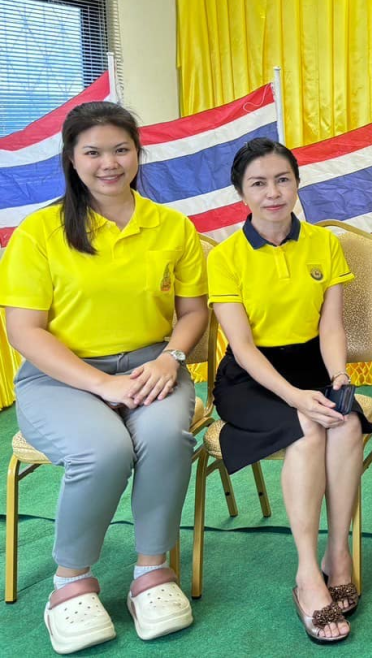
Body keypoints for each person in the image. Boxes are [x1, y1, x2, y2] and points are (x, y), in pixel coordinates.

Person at [0, 102, 205, 654]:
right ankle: (70, 583)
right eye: (92, 151)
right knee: (103, 449)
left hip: (152, 365)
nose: (108, 163)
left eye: (121, 149)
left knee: (165, 436)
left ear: (138, 154)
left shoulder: (172, 226)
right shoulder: (39, 232)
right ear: (71, 158)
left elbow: (192, 313)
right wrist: (102, 384)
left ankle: (151, 572)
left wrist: (171, 359)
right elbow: (25, 331)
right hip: (59, 375)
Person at [208, 138, 372, 644]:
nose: (273, 192)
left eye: (283, 179)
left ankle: (338, 551)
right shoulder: (226, 256)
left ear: (297, 184)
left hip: (313, 363)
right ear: (241, 192)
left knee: (345, 424)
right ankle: (307, 575)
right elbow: (243, 348)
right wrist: (297, 397)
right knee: (306, 428)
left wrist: (339, 376)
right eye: (258, 183)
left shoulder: (324, 243)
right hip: (250, 377)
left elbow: (330, 326)